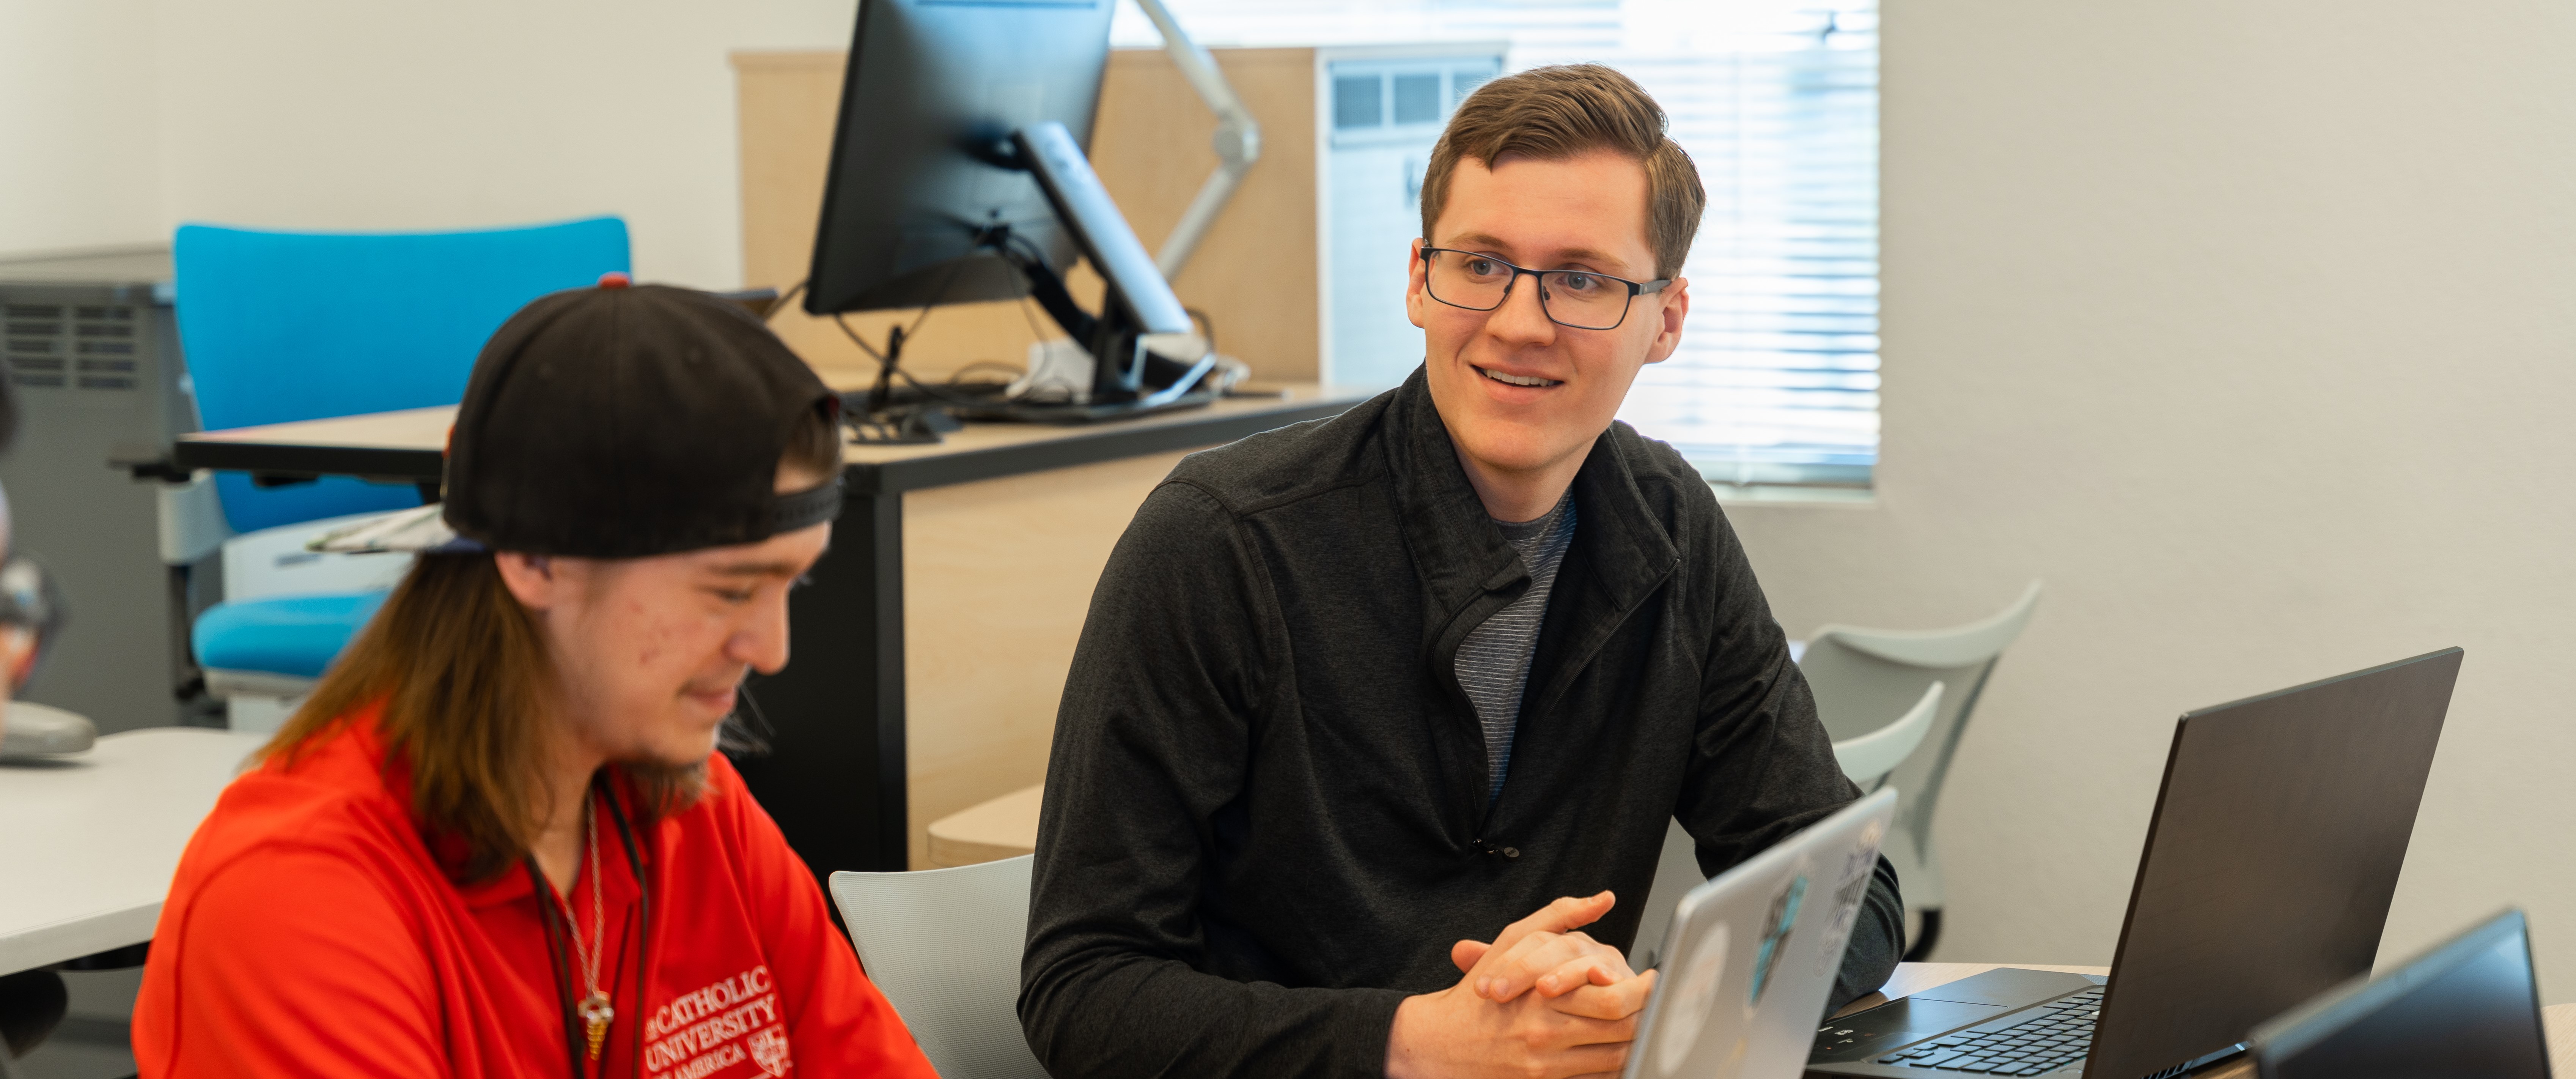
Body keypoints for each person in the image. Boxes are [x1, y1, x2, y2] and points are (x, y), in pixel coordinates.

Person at [1020, 64, 1903, 1078]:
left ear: (1664, 321)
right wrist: (1416, 1041)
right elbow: (1082, 990)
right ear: (1415, 278)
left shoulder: (1669, 531)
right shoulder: (1218, 541)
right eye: (1479, 264)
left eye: (1581, 278)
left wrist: (1653, 1011)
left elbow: (1853, 895)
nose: (1518, 321)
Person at [131, 281, 938, 1079]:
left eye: (788, 587)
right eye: (729, 590)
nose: (772, 650)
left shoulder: (704, 816)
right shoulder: (296, 899)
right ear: (536, 560)